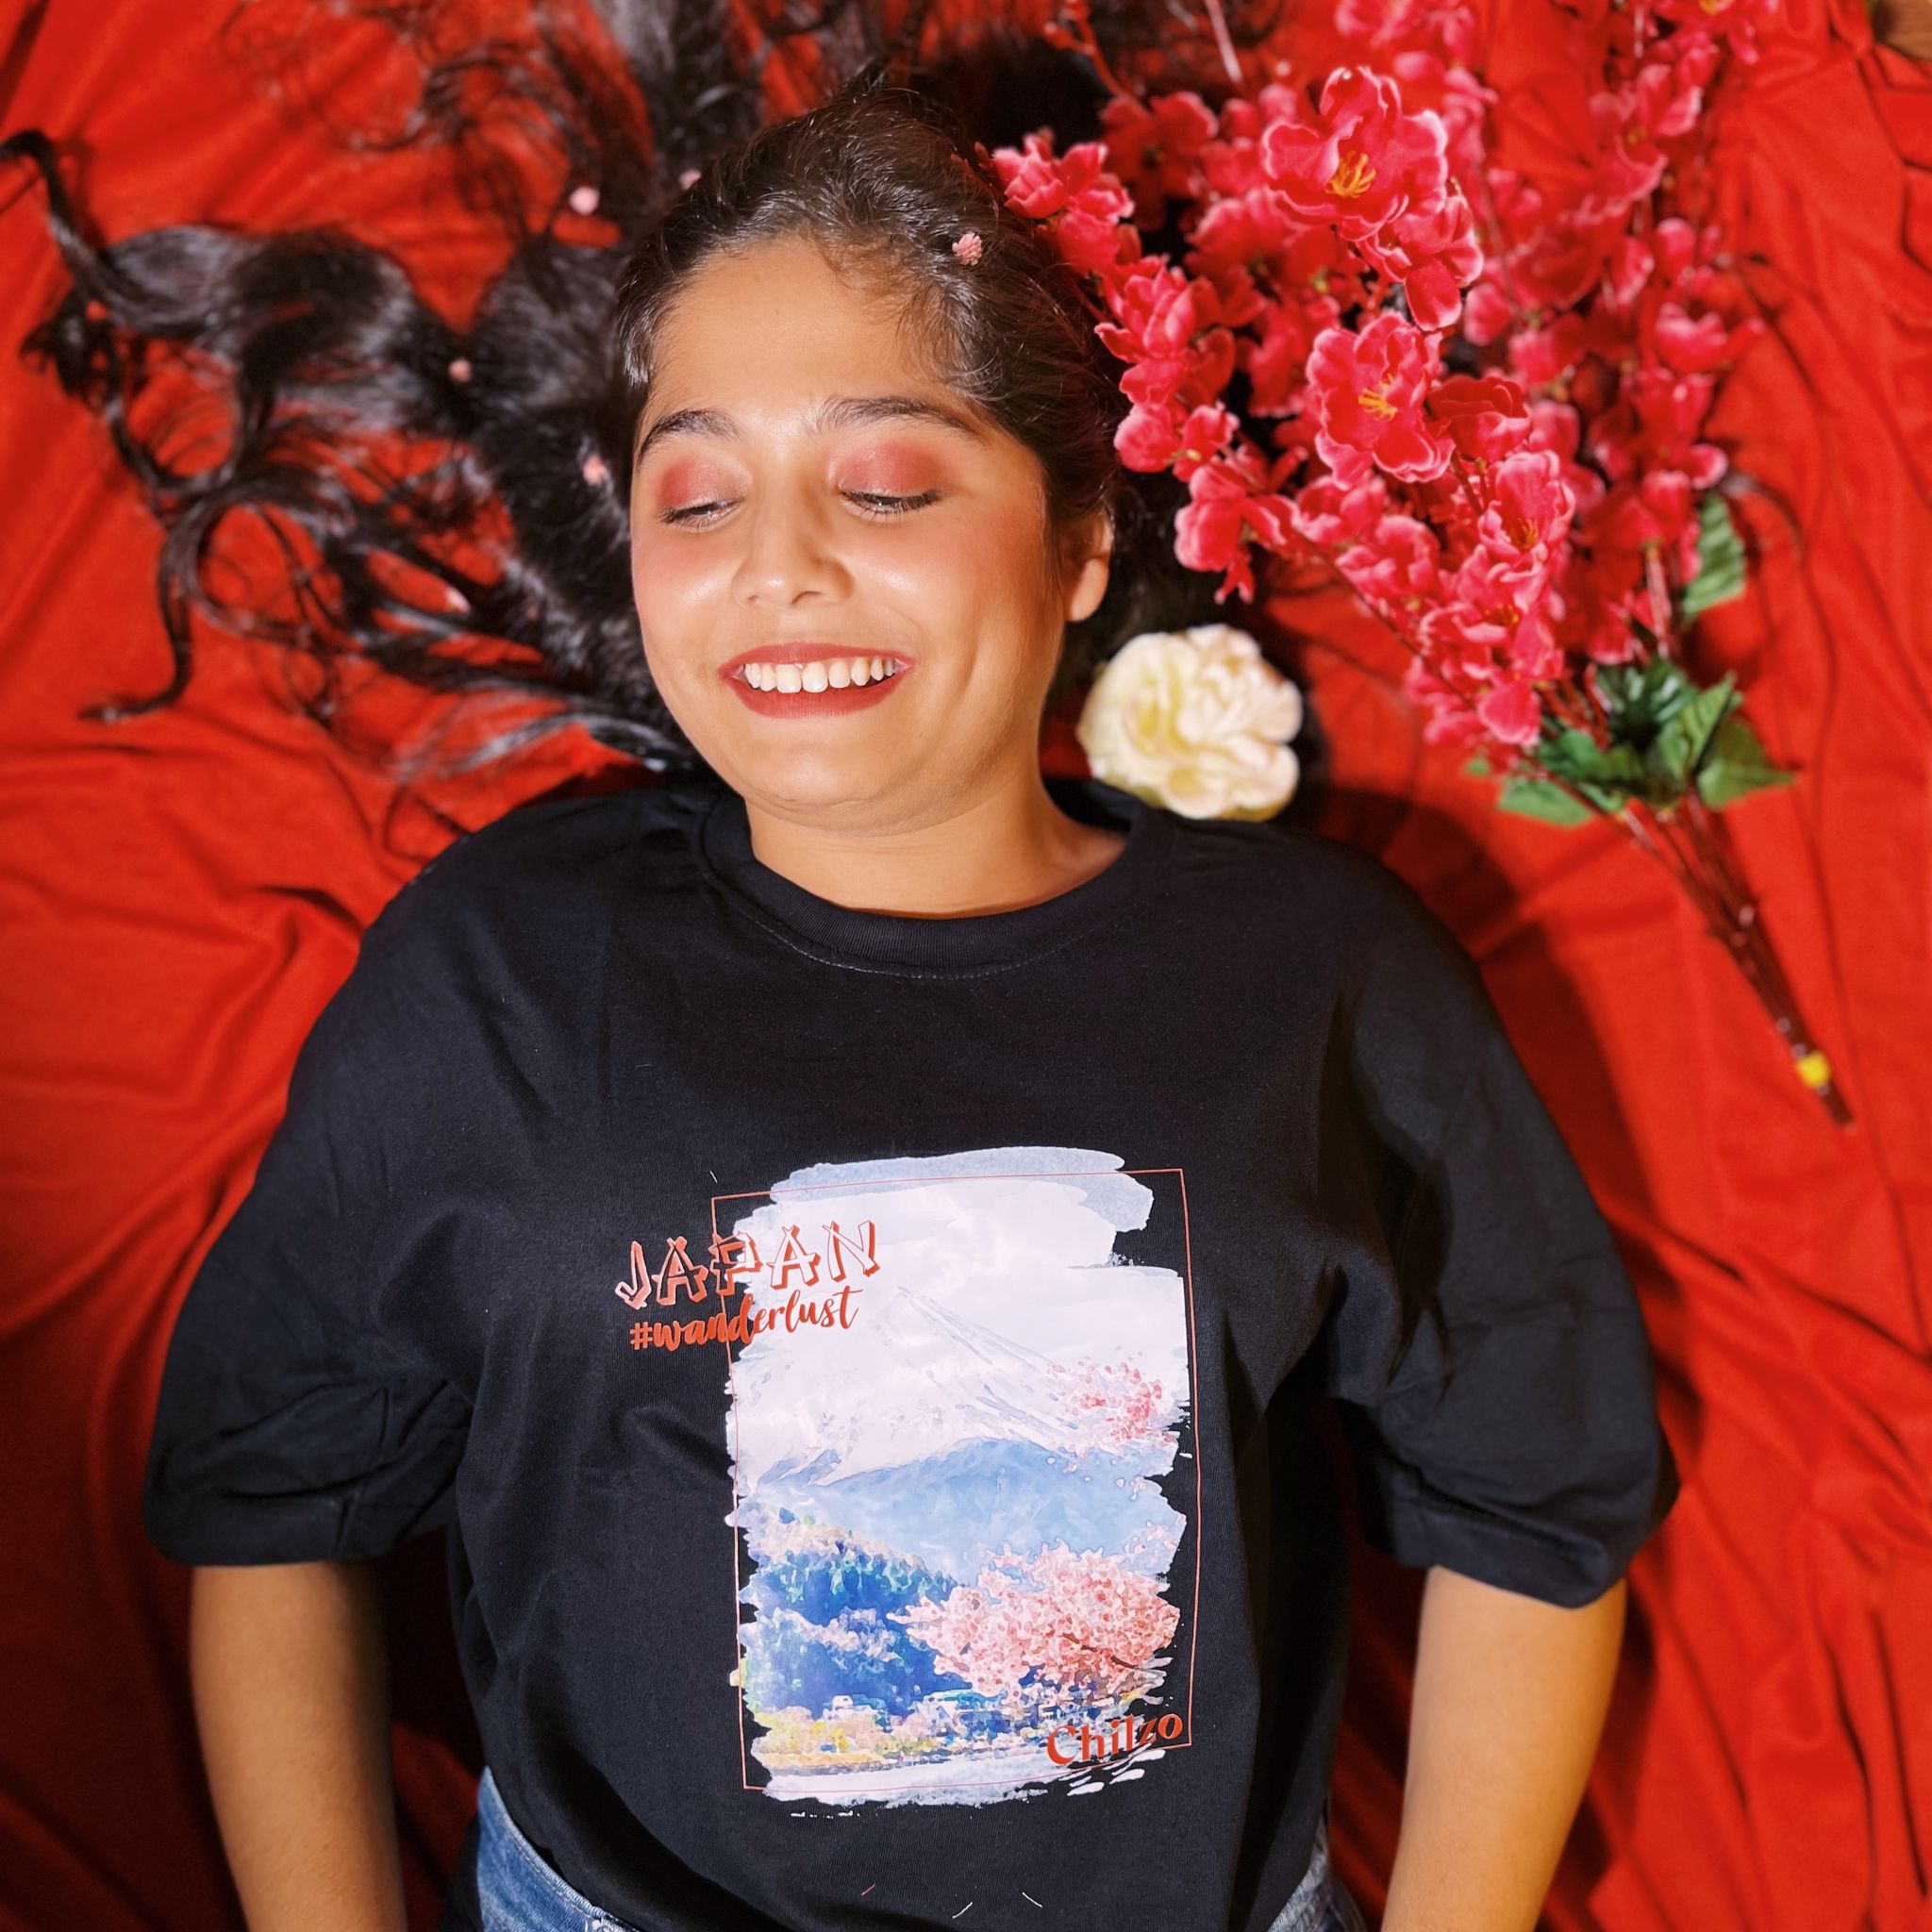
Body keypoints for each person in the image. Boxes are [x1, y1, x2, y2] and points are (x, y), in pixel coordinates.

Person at [138, 81, 1678, 1932]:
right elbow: (269, 1508)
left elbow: (1537, 1504)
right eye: (698, 494)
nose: (776, 563)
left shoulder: (1320, 978)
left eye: (882, 485)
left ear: (1083, 536)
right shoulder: (495, 974)